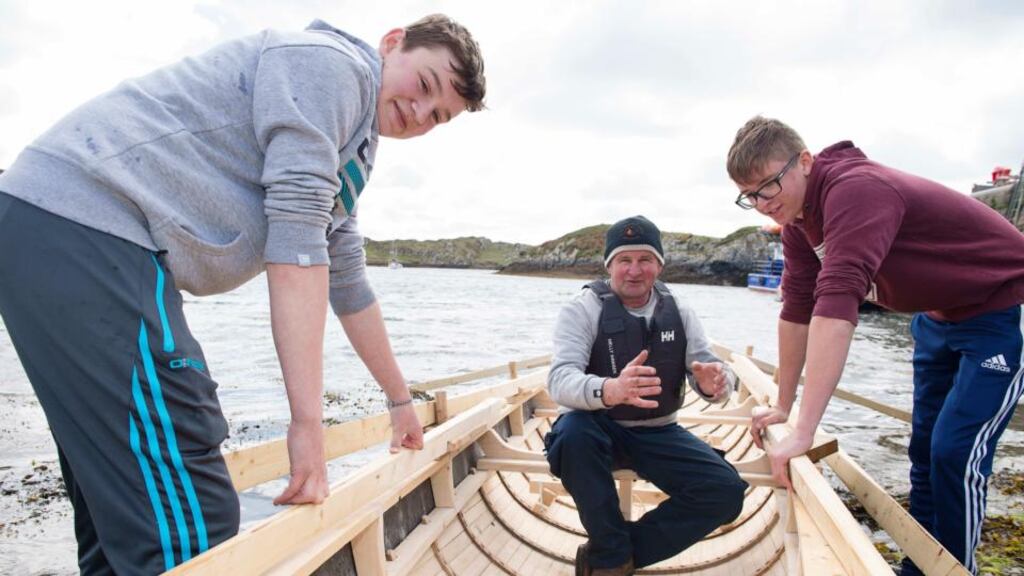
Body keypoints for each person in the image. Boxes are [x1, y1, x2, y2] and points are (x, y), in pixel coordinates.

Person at [0, 14, 485, 575]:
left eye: (439, 117)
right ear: (392, 43)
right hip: (84, 225)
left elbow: (346, 275)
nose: (421, 113)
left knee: (128, 503)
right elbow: (298, 241)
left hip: (48, 229)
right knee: (193, 516)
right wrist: (307, 427)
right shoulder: (337, 68)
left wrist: (400, 401)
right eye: (424, 86)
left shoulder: (351, 145)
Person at [726, 116, 1024, 575]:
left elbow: (837, 301)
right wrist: (784, 405)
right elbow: (797, 310)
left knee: (955, 454)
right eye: (751, 196)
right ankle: (922, 564)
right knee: (923, 453)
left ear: (804, 162)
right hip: (937, 318)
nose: (763, 203)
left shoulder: (857, 189)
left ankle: (956, 570)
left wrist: (806, 431)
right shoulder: (799, 223)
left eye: (768, 186)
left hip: (1001, 310)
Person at [544, 216, 748, 576]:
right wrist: (610, 390)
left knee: (726, 492)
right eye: (624, 260)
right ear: (609, 266)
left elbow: (717, 374)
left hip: (658, 432)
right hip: (594, 429)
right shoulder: (582, 308)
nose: (634, 271)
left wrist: (713, 384)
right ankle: (611, 557)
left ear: (659, 265)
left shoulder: (680, 310)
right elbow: (559, 380)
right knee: (572, 433)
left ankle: (612, 555)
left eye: (645, 260)